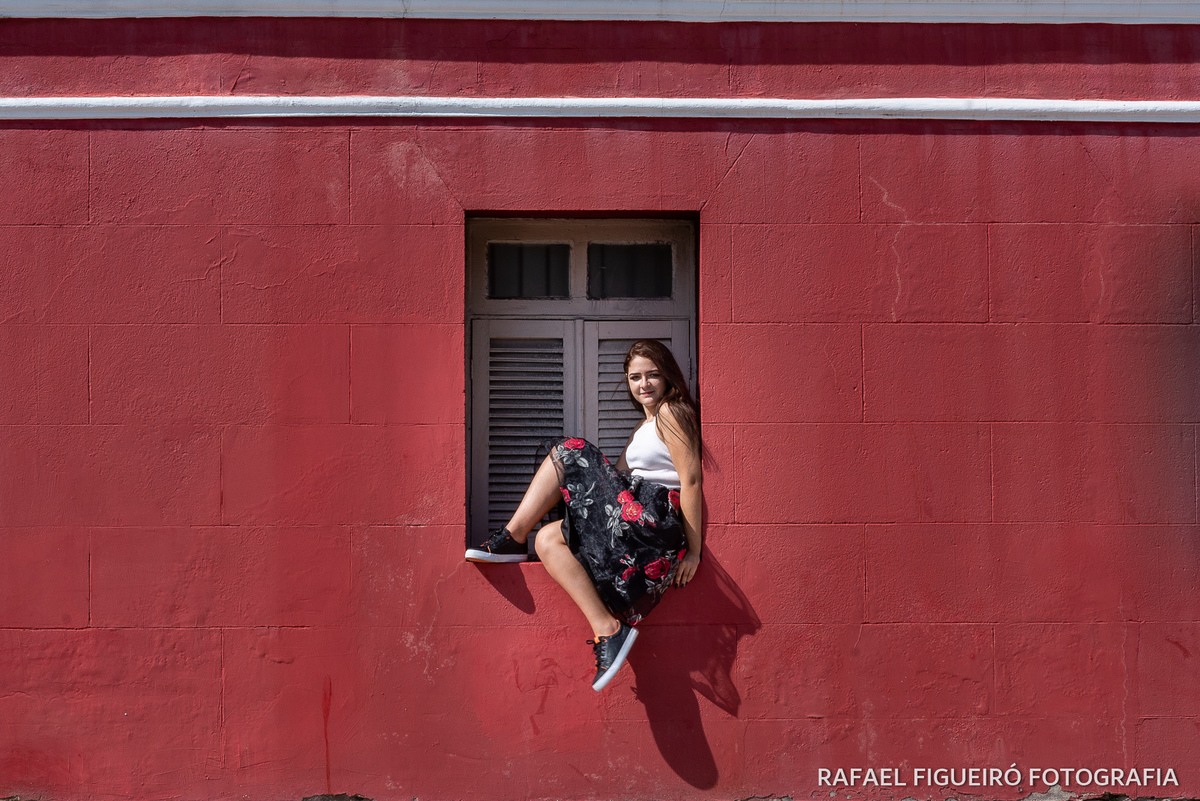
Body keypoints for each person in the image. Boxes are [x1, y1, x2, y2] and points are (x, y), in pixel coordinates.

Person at [465, 339, 703, 691]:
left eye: (652, 375)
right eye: (635, 377)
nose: (644, 384)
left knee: (569, 449)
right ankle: (609, 629)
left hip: (652, 524)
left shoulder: (671, 412)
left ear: (667, 376)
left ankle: (512, 536)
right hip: (631, 519)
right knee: (547, 540)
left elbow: (692, 480)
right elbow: (617, 478)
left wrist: (695, 551)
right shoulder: (643, 427)